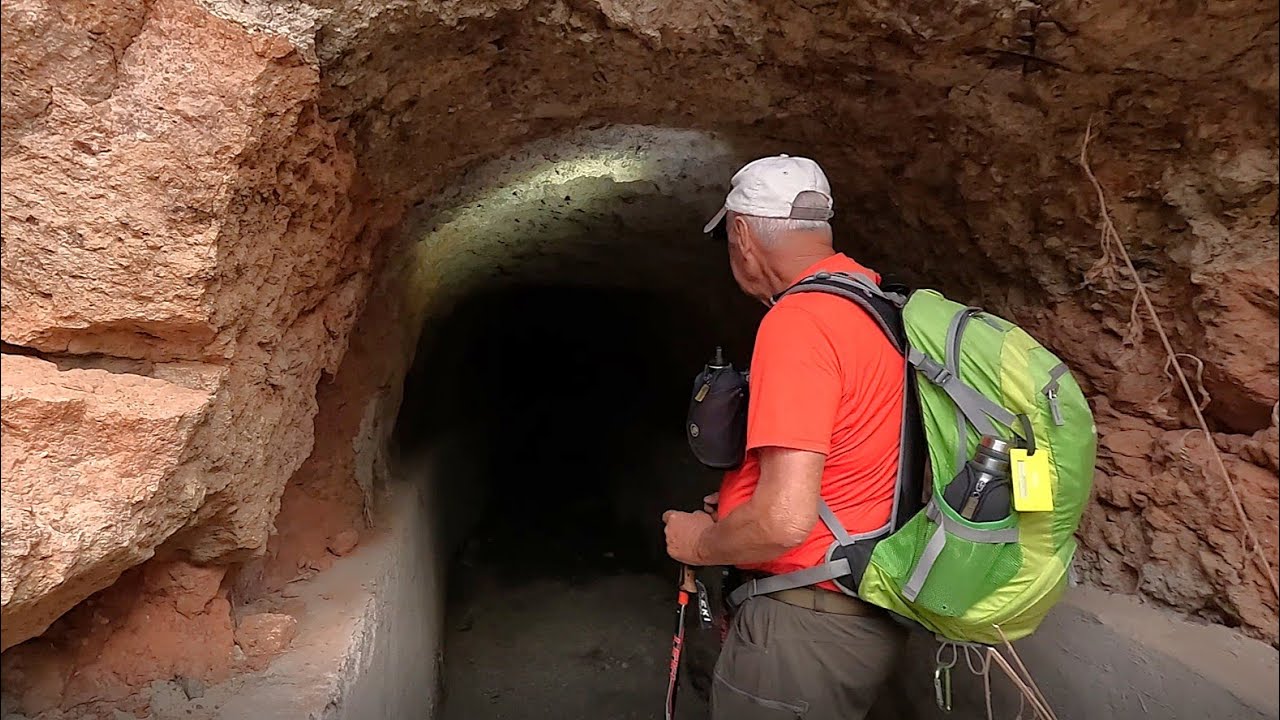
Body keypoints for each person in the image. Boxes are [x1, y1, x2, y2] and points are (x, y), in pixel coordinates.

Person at [662, 155, 908, 720]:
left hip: (804, 622)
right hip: (859, 606)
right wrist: (734, 502)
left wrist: (700, 543)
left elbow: (783, 521)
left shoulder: (800, 322)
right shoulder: (878, 306)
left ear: (742, 235)